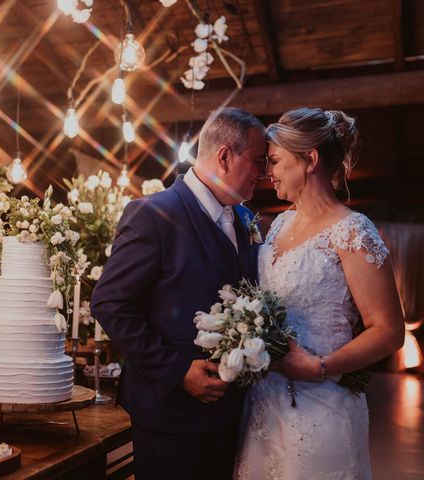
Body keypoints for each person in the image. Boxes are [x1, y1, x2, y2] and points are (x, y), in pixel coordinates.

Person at [91, 107, 267, 480]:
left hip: (231, 416)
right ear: (225, 156)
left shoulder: (245, 221)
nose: (263, 173)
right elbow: (110, 303)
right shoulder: (153, 214)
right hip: (170, 418)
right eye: (257, 161)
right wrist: (177, 371)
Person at [235, 108, 404, 479]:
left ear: (309, 160)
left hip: (322, 404)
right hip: (265, 403)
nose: (268, 172)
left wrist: (320, 367)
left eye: (276, 161)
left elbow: (388, 330)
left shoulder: (352, 231)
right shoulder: (280, 224)